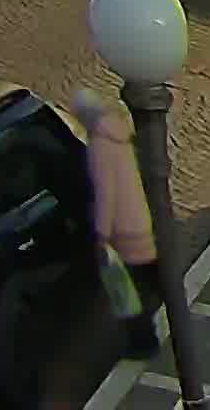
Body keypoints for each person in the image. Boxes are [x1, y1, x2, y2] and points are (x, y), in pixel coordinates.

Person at [74, 90, 156, 357]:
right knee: (151, 279)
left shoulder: (99, 145)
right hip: (141, 218)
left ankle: (143, 342)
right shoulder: (121, 134)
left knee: (126, 293)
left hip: (122, 228)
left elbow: (105, 193)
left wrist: (101, 232)